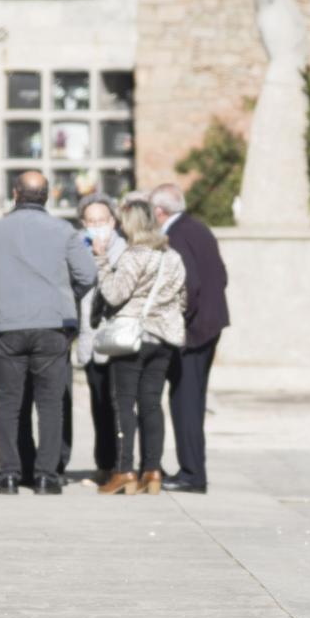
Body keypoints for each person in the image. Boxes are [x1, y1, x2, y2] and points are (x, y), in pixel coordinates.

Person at [0, 171, 97, 495]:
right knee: (51, 404)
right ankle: (46, 476)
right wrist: (64, 297)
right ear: (47, 196)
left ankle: (10, 474)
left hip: (7, 326)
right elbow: (87, 274)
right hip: (52, 325)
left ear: (15, 193)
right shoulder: (64, 230)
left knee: (8, 404)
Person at [96, 200, 187, 495]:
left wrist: (101, 262)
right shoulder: (172, 256)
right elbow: (181, 299)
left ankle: (124, 470)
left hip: (132, 338)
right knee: (151, 404)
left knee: (123, 403)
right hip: (162, 339)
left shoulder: (132, 256)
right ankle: (153, 470)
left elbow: (114, 294)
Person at [152, 183, 228, 493]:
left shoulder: (177, 235)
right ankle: (192, 470)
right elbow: (221, 275)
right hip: (210, 326)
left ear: (159, 211)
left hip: (193, 332)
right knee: (191, 401)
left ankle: (192, 474)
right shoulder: (198, 228)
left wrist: (179, 322)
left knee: (185, 403)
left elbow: (190, 284)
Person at [72, 193, 126, 483]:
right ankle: (104, 462)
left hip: (116, 339)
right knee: (98, 403)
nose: (96, 226)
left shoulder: (123, 249)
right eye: (91, 221)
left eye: (102, 220)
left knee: (117, 403)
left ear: (113, 221)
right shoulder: (76, 248)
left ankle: (122, 462)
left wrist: (102, 256)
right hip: (90, 339)